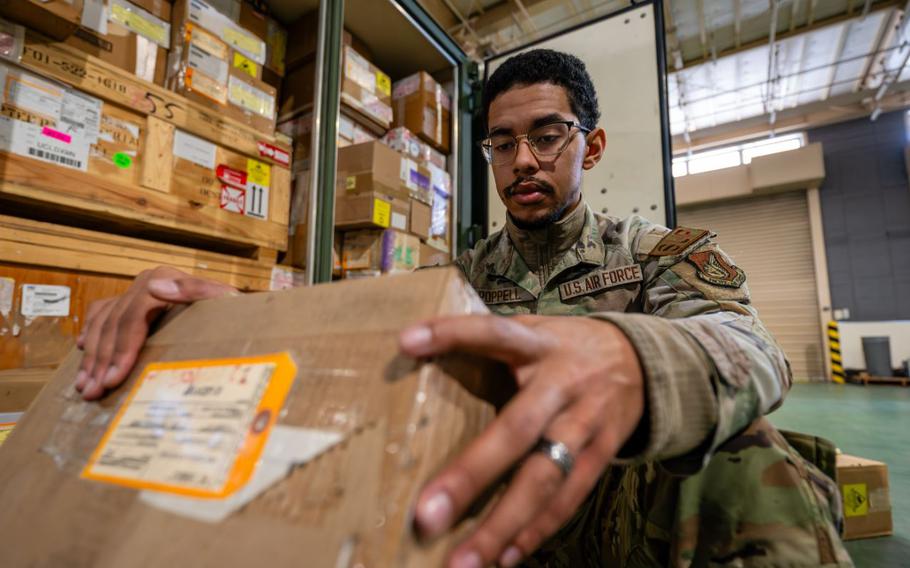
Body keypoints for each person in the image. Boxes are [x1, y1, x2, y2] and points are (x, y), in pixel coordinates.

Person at [75, 49, 851, 567]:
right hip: (488, 498)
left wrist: (635, 360)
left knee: (748, 457)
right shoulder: (460, 275)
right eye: (502, 144)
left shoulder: (660, 253)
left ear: (594, 145)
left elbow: (748, 349)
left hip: (617, 499)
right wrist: (214, 314)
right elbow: (342, 338)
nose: (523, 161)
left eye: (548, 136)